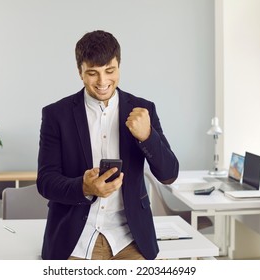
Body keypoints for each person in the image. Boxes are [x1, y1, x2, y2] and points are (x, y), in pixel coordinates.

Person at [37, 30, 179, 260]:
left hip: (130, 240)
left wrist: (147, 136)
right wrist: (84, 188)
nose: (103, 82)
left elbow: (169, 175)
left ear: (119, 66)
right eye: (93, 73)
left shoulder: (144, 109)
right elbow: (45, 182)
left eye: (110, 71)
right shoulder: (56, 115)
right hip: (74, 241)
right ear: (80, 72)